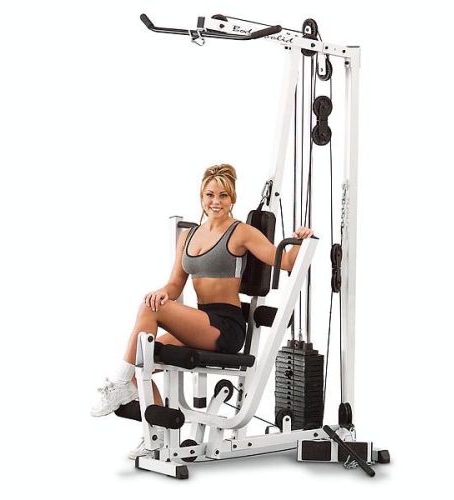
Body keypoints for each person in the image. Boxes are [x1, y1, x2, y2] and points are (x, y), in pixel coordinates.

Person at [91, 164, 313, 454]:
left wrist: (301, 241)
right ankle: (156, 437)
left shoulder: (241, 232)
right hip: (199, 320)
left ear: (232, 199)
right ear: (201, 196)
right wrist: (162, 293)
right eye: (210, 194)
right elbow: (174, 285)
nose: (216, 201)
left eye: (223, 195)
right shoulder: (189, 236)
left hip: (225, 326)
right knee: (140, 357)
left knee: (149, 313)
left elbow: (284, 261)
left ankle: (119, 384)